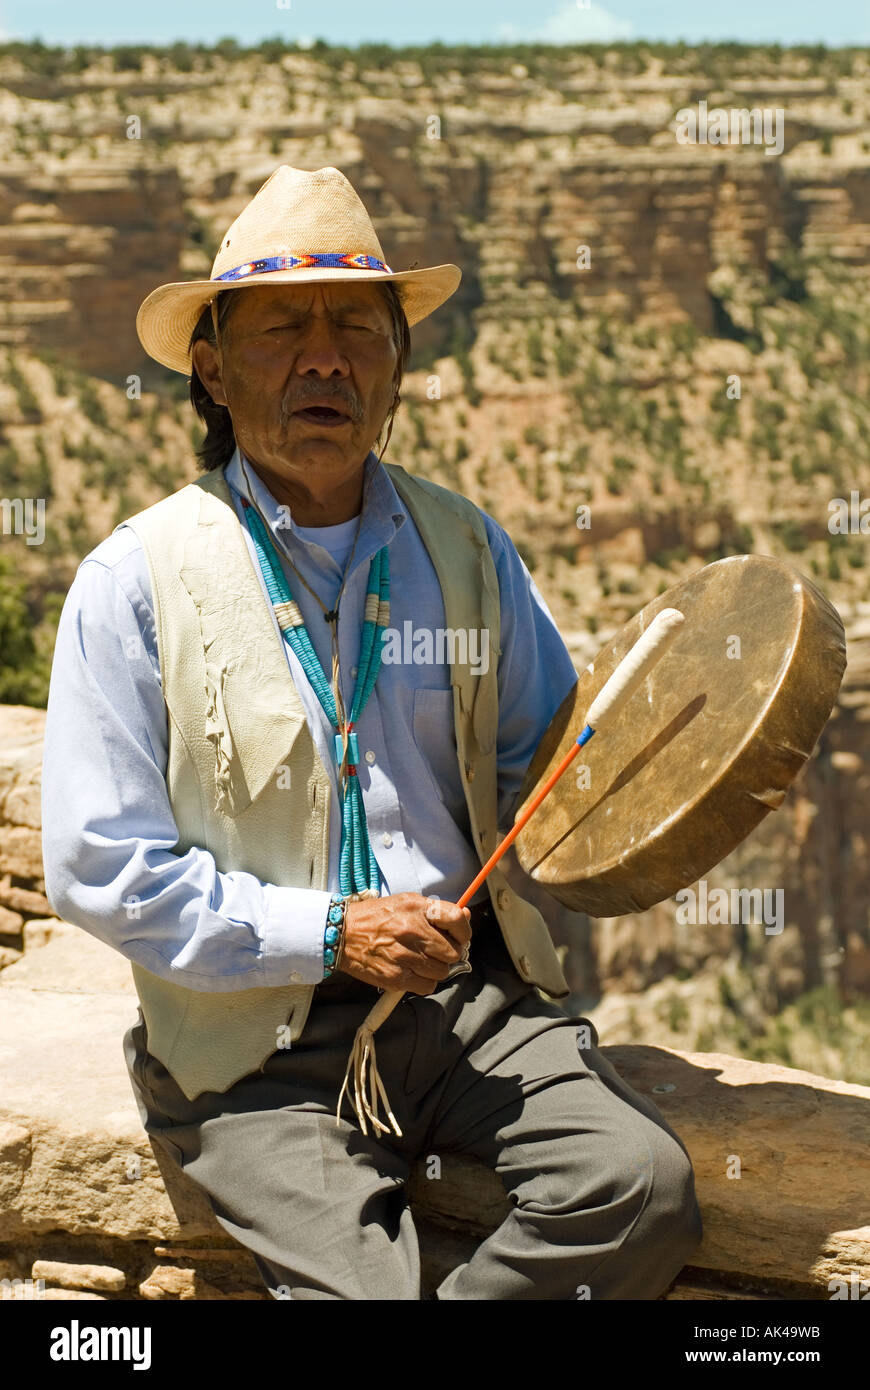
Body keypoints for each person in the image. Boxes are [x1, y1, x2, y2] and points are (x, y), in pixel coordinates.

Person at [41, 164, 702, 1299]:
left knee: (641, 1186)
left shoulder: (469, 553)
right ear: (210, 368)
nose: (323, 357)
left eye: (357, 326)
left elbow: (553, 765)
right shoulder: (137, 580)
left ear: (398, 367)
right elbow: (103, 870)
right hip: (250, 1050)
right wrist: (334, 931)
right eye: (281, 329)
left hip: (460, 1007)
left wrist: (691, 764)